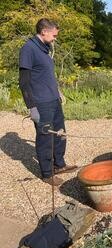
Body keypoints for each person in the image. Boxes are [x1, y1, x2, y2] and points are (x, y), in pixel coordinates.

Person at [19, 18, 77, 186]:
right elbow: (24, 82)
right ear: (44, 31)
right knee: (45, 137)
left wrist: (58, 91)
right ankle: (46, 173)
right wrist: (31, 107)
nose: (55, 38)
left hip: (53, 100)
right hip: (41, 103)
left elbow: (46, 75)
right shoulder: (28, 49)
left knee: (60, 133)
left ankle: (59, 164)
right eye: (54, 35)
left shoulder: (44, 50)